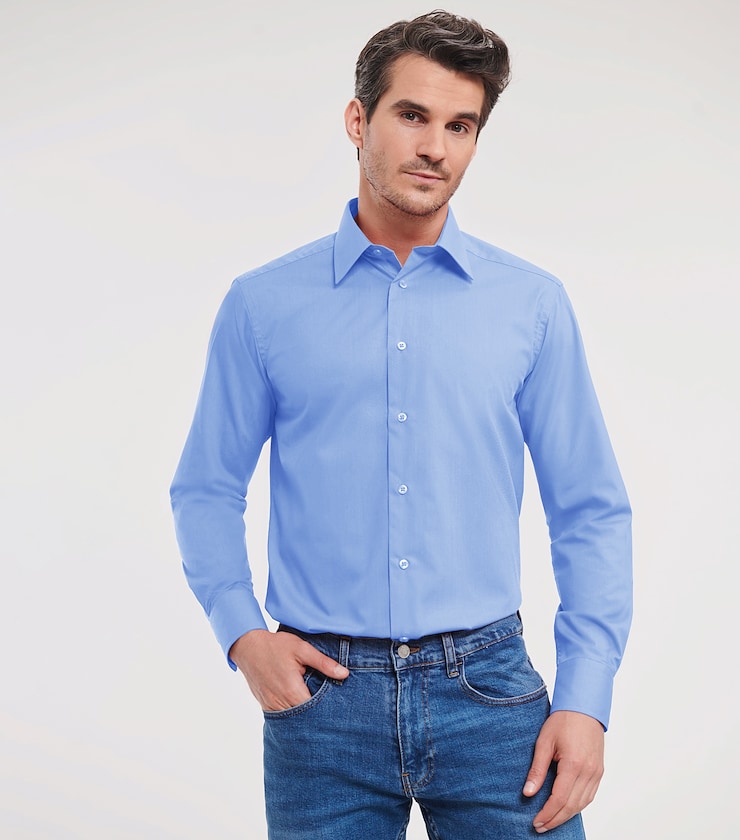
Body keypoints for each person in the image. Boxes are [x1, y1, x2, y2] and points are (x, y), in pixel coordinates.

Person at [171, 10, 631, 839]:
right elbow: (205, 489)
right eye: (412, 115)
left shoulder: (530, 305)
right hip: (323, 702)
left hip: (491, 697)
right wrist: (243, 636)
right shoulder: (263, 305)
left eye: (461, 126)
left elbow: (589, 509)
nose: (435, 148)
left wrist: (586, 701)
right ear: (359, 120)